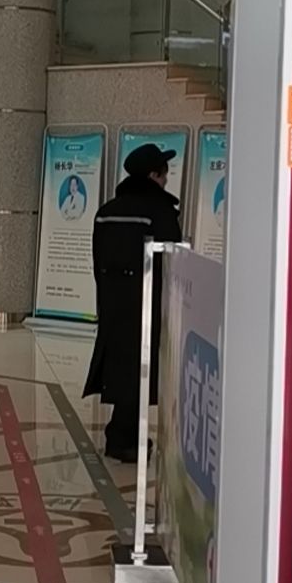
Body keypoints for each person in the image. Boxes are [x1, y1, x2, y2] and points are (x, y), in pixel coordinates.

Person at [84, 142, 182, 463]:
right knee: (141, 368)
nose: (166, 181)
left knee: (121, 365)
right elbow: (172, 260)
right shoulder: (160, 212)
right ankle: (123, 439)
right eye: (163, 175)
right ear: (153, 175)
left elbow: (98, 259)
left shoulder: (106, 211)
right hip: (148, 301)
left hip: (113, 301)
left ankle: (122, 434)